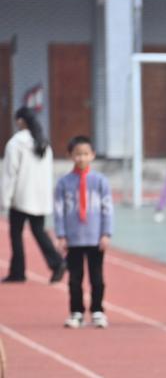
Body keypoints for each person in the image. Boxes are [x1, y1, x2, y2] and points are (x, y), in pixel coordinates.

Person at [53, 136, 114, 329]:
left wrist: (106, 233)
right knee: (75, 278)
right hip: (73, 239)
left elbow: (107, 209)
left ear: (93, 155)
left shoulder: (100, 182)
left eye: (85, 154)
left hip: (95, 238)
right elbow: (58, 211)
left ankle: (97, 310)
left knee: (97, 278)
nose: (81, 158)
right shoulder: (63, 183)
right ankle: (76, 311)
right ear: (70, 155)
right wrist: (61, 235)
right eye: (77, 154)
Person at [1, 107, 65, 283]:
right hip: (39, 197)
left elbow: (10, 173)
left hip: (20, 197)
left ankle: (18, 271)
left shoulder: (16, 143)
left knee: (16, 233)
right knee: (38, 231)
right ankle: (56, 262)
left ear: (20, 121)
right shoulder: (43, 143)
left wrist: (4, 199)